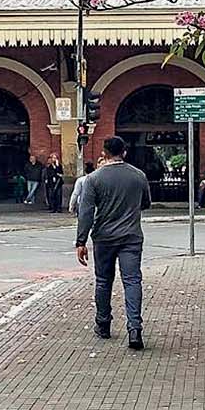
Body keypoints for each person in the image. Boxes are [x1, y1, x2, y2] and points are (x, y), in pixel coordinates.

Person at [76, 136, 151, 350]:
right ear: (124, 152)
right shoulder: (139, 176)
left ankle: (103, 324)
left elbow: (86, 212)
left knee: (103, 281)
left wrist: (81, 241)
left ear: (104, 153)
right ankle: (135, 329)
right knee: (132, 280)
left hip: (104, 237)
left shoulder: (93, 179)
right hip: (131, 236)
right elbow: (145, 203)